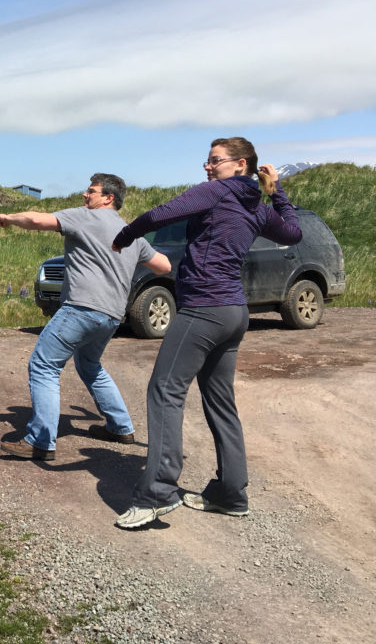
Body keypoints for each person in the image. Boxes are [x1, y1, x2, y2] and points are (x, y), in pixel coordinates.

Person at [111, 138, 302, 529]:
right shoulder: (258, 206)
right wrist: (278, 192)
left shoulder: (218, 191)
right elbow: (294, 233)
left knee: (165, 391)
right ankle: (231, 494)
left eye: (215, 161)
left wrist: (124, 236)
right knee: (220, 401)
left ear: (240, 164)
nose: (208, 167)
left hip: (204, 309)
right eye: (208, 161)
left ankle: (158, 493)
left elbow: (162, 213)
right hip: (234, 313)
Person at [0, 174, 171, 461]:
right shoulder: (133, 235)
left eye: (91, 191)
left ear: (108, 198)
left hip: (80, 308)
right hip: (111, 316)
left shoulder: (84, 218)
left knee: (43, 366)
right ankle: (120, 427)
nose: (84, 196)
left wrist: (9, 217)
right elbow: (163, 265)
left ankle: (40, 441)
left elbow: (39, 220)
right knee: (89, 365)